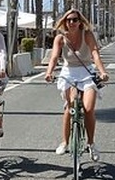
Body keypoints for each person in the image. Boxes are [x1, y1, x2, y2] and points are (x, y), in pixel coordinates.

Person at [44, 8, 110, 162]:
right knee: (70, 107)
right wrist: (49, 72)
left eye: (75, 19)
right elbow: (54, 57)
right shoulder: (60, 38)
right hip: (69, 73)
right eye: (69, 20)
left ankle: (91, 144)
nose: (72, 22)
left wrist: (102, 72)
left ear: (80, 22)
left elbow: (95, 54)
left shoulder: (87, 35)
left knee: (88, 109)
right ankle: (65, 142)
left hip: (86, 72)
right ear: (65, 22)